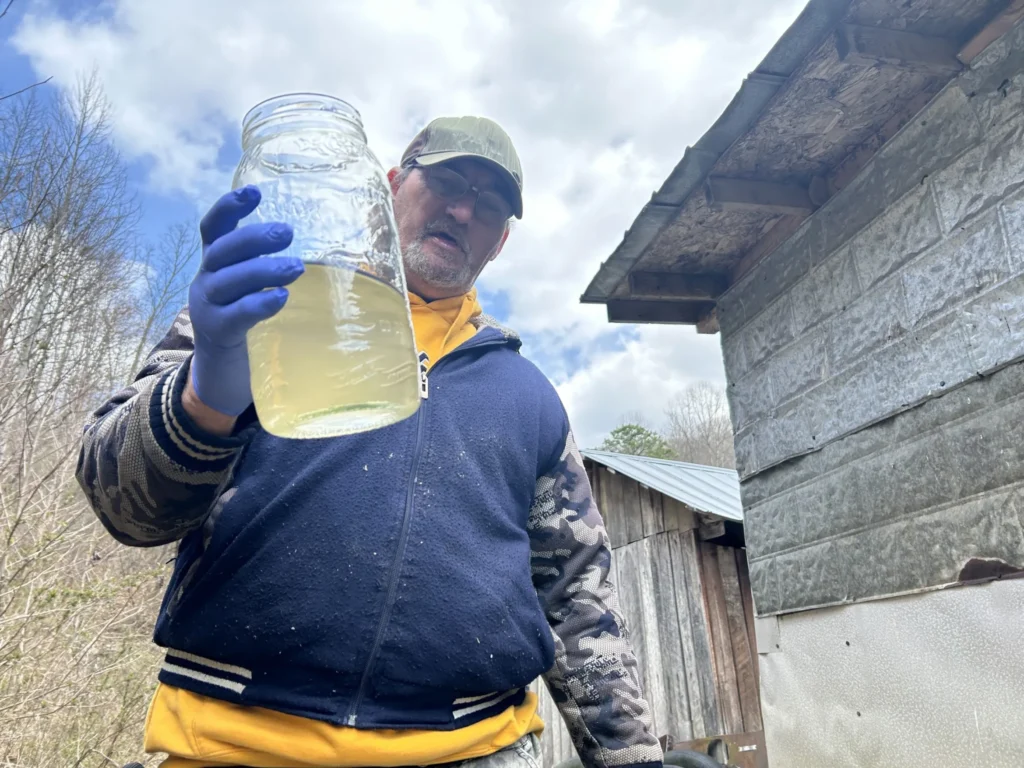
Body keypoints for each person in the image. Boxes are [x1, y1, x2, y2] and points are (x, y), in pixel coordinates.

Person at [77, 116, 663, 768]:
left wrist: (633, 759)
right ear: (387, 189)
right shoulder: (266, 314)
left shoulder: (529, 396)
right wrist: (201, 399)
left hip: (476, 751)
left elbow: (583, 605)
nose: (463, 208)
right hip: (231, 748)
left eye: (489, 203)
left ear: (498, 242)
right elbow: (123, 508)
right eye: (445, 180)